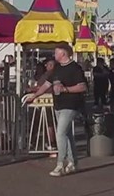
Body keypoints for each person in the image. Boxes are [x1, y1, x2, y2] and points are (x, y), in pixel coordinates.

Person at [22, 43, 87, 176]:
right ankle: (73, 162)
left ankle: (60, 164)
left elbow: (82, 87)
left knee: (60, 133)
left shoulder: (75, 68)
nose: (54, 55)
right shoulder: (56, 69)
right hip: (58, 104)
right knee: (67, 134)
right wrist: (34, 96)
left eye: (57, 52)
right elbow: (46, 85)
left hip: (71, 105)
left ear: (64, 53)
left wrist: (66, 89)